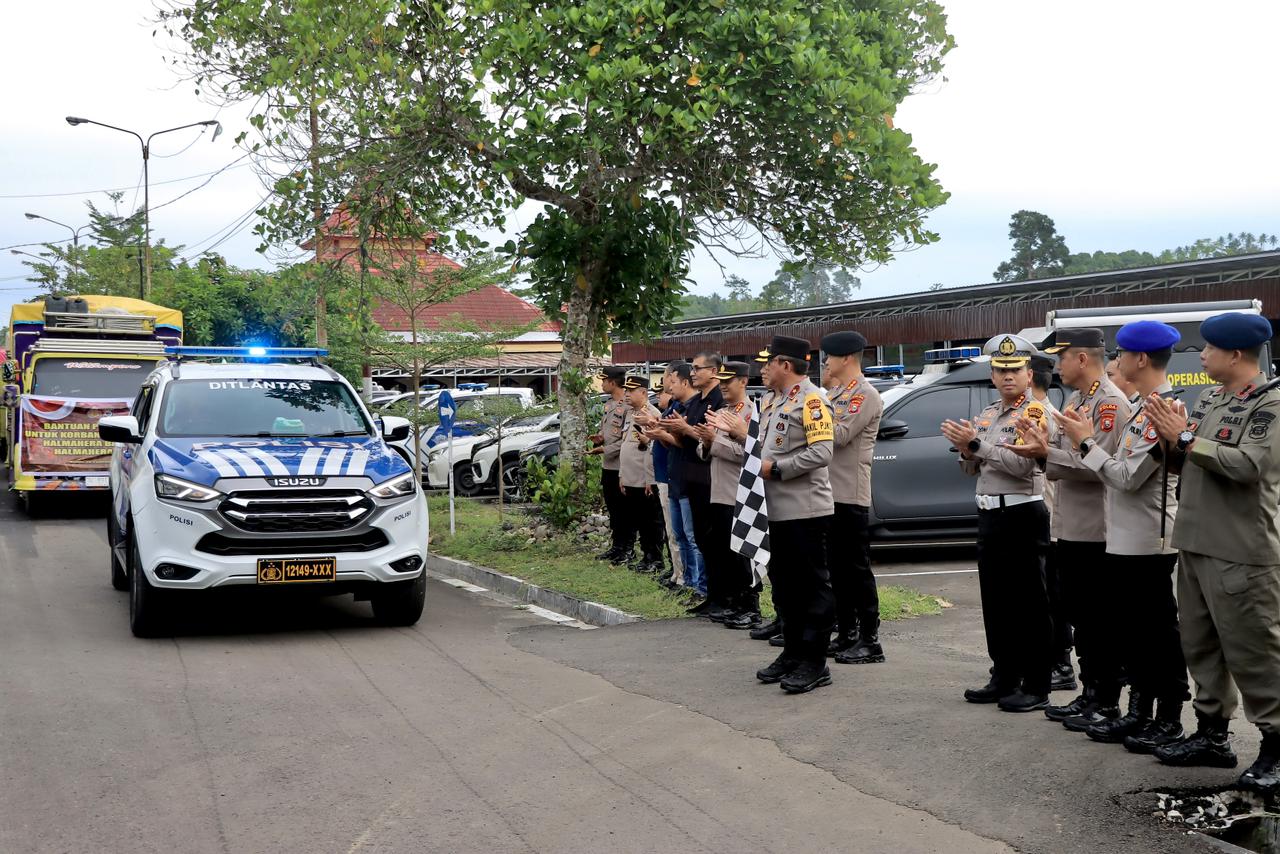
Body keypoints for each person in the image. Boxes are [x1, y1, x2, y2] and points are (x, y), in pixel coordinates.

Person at [1145, 312, 1280, 793]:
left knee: (1255, 651)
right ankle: (1211, 734)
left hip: (1240, 549)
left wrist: (1184, 437)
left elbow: (1248, 466)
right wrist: (1167, 441)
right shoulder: (1210, 399)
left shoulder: (1270, 404)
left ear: (1236, 354)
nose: (1200, 356)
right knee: (1200, 645)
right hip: (1197, 541)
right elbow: (1188, 459)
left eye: (1208, 349)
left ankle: (1276, 745)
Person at [1018, 329, 1133, 725]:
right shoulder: (1078, 400)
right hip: (1071, 527)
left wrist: (1045, 454)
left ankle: (1106, 700)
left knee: (1099, 621)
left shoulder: (1109, 405)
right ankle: (1090, 693)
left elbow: (1098, 465)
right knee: (1081, 617)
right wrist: (1044, 450)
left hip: (1095, 530)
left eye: (1062, 358)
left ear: (1082, 359)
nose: (1056, 367)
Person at [941, 333, 1053, 713]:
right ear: (991, 375)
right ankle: (1003, 675)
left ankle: (1036, 684)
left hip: (1022, 513)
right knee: (996, 602)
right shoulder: (988, 414)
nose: (1008, 376)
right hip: (990, 513)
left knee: (1029, 603)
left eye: (1015, 370)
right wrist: (965, 450)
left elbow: (1022, 465)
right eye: (1001, 370)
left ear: (1029, 374)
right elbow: (972, 468)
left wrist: (977, 446)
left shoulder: (1034, 413)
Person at [751, 335, 838, 695]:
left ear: (785, 365)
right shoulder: (773, 401)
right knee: (784, 586)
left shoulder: (812, 400)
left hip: (805, 510)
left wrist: (776, 469)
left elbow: (822, 452)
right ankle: (792, 652)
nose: (764, 368)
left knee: (811, 587)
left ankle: (815, 663)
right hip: (774, 510)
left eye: (769, 362)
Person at [817, 330, 886, 665]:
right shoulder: (834, 393)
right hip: (829, 492)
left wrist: (813, 418)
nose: (826, 362)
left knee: (856, 569)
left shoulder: (865, 394)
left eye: (830, 356)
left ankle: (870, 639)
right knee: (837, 569)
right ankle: (846, 632)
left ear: (846, 358)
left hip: (850, 493)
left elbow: (841, 435)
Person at [660, 351, 725, 617]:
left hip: (710, 479)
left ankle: (721, 595)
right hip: (690, 478)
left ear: (714, 371)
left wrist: (685, 430)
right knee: (701, 538)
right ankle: (711, 595)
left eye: (698, 368)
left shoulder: (718, 401)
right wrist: (669, 431)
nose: (694, 372)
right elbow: (686, 441)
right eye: (693, 368)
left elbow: (710, 439)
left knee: (713, 541)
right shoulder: (697, 402)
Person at [697, 361, 761, 628]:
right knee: (725, 552)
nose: (722, 386)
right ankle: (733, 602)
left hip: (739, 493)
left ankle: (750, 606)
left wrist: (714, 442)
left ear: (743, 382)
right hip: (719, 492)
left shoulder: (750, 413)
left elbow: (747, 453)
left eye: (728, 381)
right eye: (720, 382)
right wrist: (706, 441)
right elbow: (703, 451)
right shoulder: (722, 412)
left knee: (742, 554)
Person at [1028, 351, 1074, 691]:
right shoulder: (1044, 412)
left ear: (1029, 377)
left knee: (1052, 596)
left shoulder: (1043, 416)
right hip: (1046, 515)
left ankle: (1061, 664)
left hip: (1049, 515)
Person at [642, 363, 707, 598]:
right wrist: (658, 431)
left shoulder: (694, 408)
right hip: (674, 477)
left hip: (690, 479)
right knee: (679, 535)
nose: (669, 387)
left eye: (672, 382)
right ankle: (686, 581)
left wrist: (665, 433)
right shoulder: (677, 407)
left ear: (684, 383)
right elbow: (673, 443)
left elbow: (692, 444)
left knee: (691, 537)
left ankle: (698, 585)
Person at [618, 374, 665, 573]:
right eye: (626, 390)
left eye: (631, 391)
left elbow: (653, 449)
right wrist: (622, 475)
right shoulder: (630, 413)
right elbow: (625, 445)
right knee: (638, 520)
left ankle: (655, 559)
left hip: (644, 479)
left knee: (651, 522)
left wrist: (650, 479)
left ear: (643, 392)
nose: (627, 394)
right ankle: (646, 556)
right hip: (630, 477)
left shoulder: (652, 414)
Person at [648, 371, 686, 589]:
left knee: (680, 533)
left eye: (670, 382)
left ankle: (684, 577)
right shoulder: (670, 410)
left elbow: (679, 443)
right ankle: (677, 573)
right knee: (673, 532)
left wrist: (659, 432)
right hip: (666, 474)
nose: (667, 388)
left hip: (675, 477)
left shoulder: (680, 409)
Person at [588, 366, 629, 563]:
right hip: (608, 466)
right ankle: (617, 547)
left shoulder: (628, 405)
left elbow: (627, 441)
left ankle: (626, 549)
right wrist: (599, 439)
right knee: (613, 509)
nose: (602, 384)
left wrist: (605, 449)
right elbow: (609, 434)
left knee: (624, 510)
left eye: (604, 381)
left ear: (613, 382)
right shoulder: (609, 404)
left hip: (622, 466)